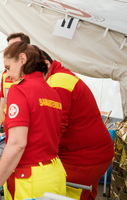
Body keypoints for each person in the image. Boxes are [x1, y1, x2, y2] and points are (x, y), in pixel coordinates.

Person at [0, 42, 66, 200]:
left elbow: (18, 144)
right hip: (55, 174)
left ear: (22, 59)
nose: (7, 75)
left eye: (8, 67)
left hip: (31, 179)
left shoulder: (19, 90)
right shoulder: (52, 93)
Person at [45, 57, 114, 200]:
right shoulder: (60, 77)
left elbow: (55, 129)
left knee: (65, 192)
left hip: (84, 157)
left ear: (45, 65)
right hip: (90, 153)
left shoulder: (58, 82)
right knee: (85, 193)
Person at [0, 33, 31, 136]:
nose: (12, 50)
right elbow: (2, 107)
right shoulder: (5, 76)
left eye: (16, 46)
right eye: (9, 47)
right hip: (8, 131)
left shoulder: (35, 76)